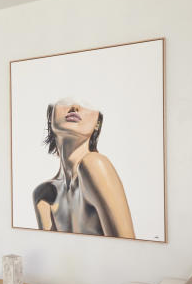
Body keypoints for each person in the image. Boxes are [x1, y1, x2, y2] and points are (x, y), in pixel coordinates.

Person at [32, 97, 135, 238]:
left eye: (88, 102)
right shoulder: (43, 194)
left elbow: (127, 251)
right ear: (50, 115)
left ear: (98, 123)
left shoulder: (94, 165)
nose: (74, 107)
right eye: (65, 99)